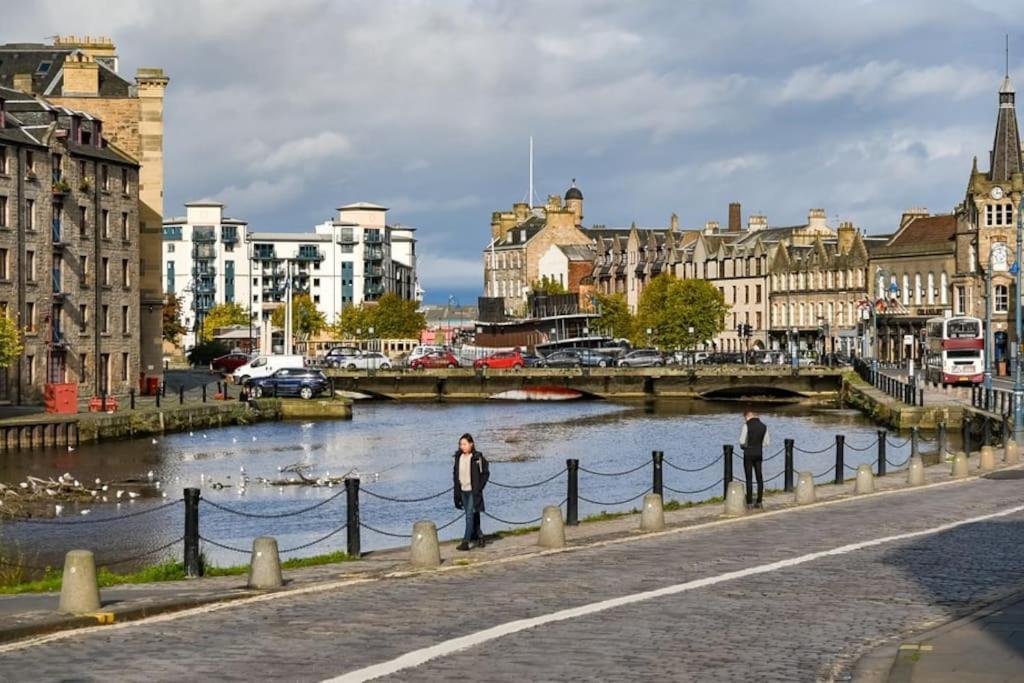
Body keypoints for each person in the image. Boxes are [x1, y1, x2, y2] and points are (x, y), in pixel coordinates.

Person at [452, 433, 489, 551]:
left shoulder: (477, 457)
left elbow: (485, 473)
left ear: (471, 444)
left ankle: (465, 542)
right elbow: (455, 474)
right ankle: (480, 536)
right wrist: (456, 490)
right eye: (460, 444)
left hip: (473, 491)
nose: (462, 446)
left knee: (469, 515)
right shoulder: (458, 457)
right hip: (463, 490)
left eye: (464, 444)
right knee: (473, 514)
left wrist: (479, 487)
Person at [739, 410, 769, 509]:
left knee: (749, 478)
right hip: (759, 453)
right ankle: (759, 501)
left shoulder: (746, 425)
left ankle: (749, 502)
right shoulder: (764, 426)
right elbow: (766, 442)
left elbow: (742, 441)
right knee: (759, 477)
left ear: (747, 416)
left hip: (748, 453)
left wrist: (744, 446)